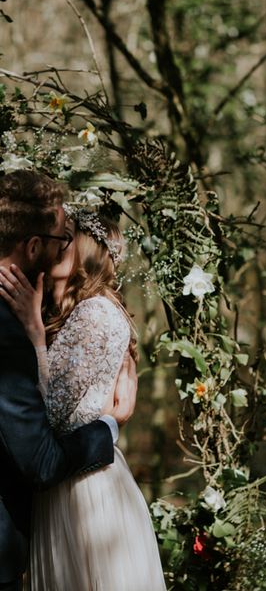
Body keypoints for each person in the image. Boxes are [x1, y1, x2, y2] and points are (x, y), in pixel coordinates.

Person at [0, 202, 166, 590]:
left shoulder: (95, 313)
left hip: (84, 492)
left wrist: (36, 336)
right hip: (61, 484)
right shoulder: (66, 314)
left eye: (66, 240)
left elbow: (50, 418)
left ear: (88, 250)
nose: (55, 248)